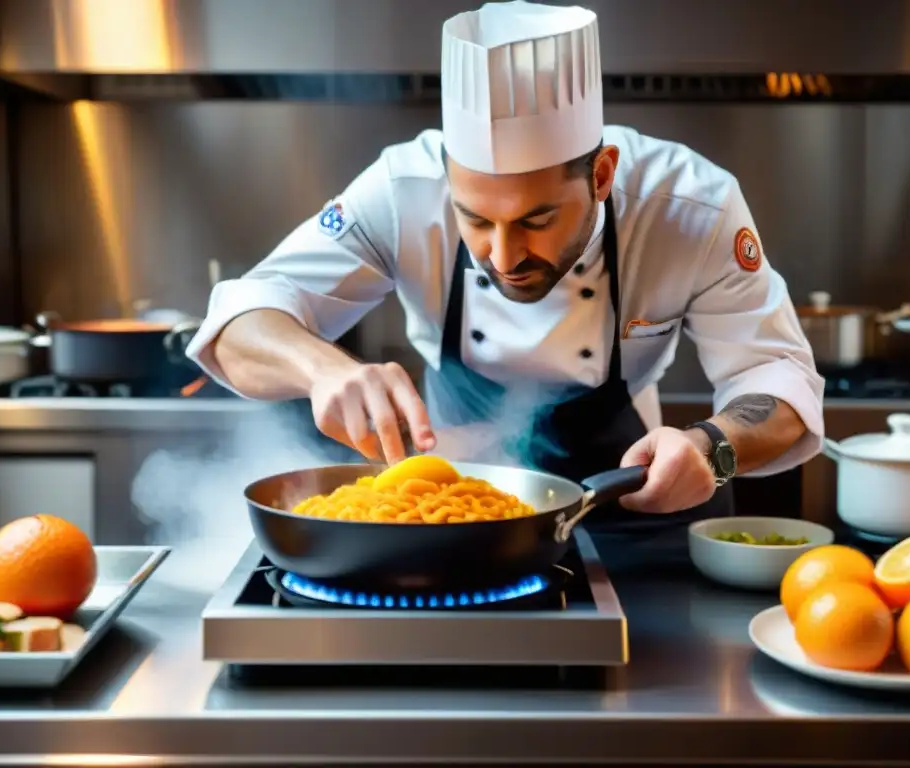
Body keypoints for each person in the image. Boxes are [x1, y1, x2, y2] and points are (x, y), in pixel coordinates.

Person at [186, 0, 825, 565]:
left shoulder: (692, 206)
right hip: (444, 515)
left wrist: (712, 448)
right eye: (474, 218)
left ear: (603, 174)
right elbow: (242, 319)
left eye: (537, 219)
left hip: (629, 502)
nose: (503, 253)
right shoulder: (402, 189)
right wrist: (321, 368)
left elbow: (779, 381)